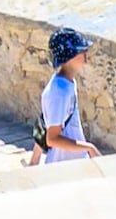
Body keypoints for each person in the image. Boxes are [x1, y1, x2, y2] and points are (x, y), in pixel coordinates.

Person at [35, 27, 102, 163]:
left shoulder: (67, 84)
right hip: (63, 168)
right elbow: (52, 138)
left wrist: (34, 160)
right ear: (70, 57)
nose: (86, 53)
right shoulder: (59, 92)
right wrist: (89, 148)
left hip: (74, 163)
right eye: (81, 50)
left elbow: (47, 122)